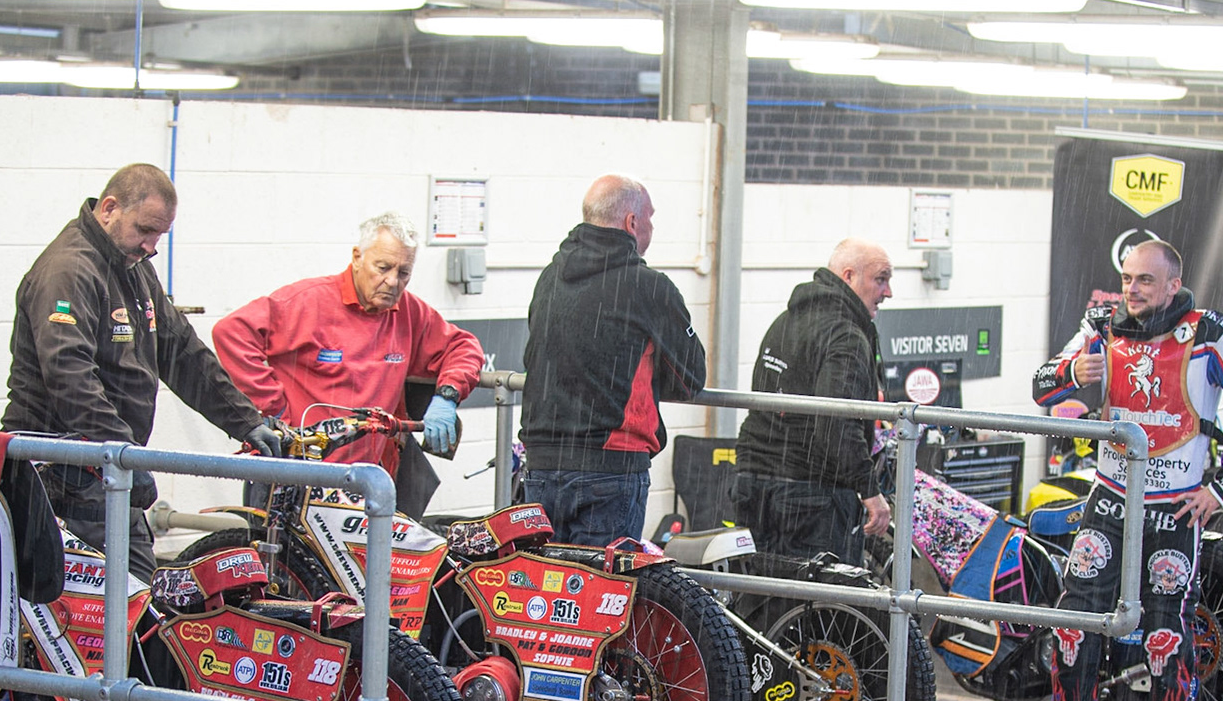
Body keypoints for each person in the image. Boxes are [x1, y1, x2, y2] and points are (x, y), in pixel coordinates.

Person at [1029, 240, 1223, 701]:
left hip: (1176, 507)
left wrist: (1219, 492)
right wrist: (1076, 371)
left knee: (1167, 625)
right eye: (1126, 279)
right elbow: (1041, 388)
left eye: (1145, 280)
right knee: (1076, 620)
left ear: (1172, 284)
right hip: (1110, 497)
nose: (1132, 290)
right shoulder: (1100, 324)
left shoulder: (1210, 332)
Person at [0, 163, 281, 576]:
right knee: (98, 612)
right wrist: (126, 457)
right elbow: (69, 376)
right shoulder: (70, 270)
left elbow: (181, 351)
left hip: (105, 468)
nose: (151, 246)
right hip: (59, 475)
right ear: (110, 208)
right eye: (144, 230)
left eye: (159, 236)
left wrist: (245, 420)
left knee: (137, 606)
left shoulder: (133, 267)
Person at [212, 211, 485, 480]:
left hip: (366, 480)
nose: (392, 281)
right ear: (357, 258)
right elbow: (231, 333)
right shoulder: (309, 302)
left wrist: (446, 397)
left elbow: (463, 346)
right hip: (294, 471)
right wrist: (276, 410)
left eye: (404, 272)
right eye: (383, 268)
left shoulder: (409, 312)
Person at [520, 174, 706, 546]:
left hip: (541, 465)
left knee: (544, 595)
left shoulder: (550, 277)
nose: (652, 227)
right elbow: (690, 379)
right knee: (601, 596)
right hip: (610, 469)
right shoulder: (649, 287)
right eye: (651, 218)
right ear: (632, 222)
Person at [730, 238, 894, 566]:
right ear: (848, 276)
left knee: (763, 597)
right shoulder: (844, 334)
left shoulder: (786, 320)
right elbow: (835, 422)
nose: (888, 292)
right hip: (811, 494)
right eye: (881, 279)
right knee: (823, 606)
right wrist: (870, 491)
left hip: (755, 483)